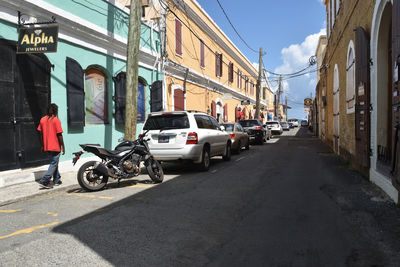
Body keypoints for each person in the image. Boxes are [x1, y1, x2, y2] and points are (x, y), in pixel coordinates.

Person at [37, 103, 65, 189]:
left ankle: (56, 179)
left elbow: (41, 134)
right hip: (55, 146)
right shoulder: (56, 120)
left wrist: (42, 146)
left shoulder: (42, 120)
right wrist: (63, 146)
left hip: (47, 146)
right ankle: (44, 181)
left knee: (54, 162)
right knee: (54, 163)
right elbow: (59, 135)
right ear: (55, 111)